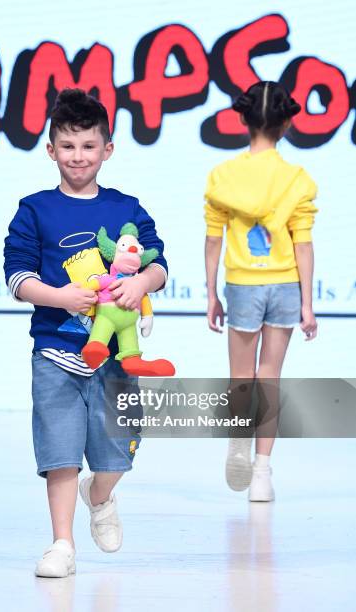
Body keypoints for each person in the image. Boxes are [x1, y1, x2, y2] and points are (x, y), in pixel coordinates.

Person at [3, 88, 168, 577]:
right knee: (59, 450)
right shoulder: (34, 209)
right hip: (57, 351)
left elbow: (159, 264)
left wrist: (139, 283)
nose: (79, 156)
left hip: (117, 357)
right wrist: (63, 297)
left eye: (89, 146)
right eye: (68, 146)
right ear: (51, 149)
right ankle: (61, 544)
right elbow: (17, 277)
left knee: (118, 452)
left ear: (107, 150)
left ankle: (100, 495)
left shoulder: (126, 207)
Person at [204, 81, 318, 502]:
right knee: (270, 376)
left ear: (243, 119)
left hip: (243, 284)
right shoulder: (296, 180)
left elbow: (213, 239)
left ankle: (238, 437)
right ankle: (262, 474)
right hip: (285, 283)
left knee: (242, 376)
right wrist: (307, 304)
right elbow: (302, 243)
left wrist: (212, 293)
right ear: (287, 123)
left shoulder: (223, 178)